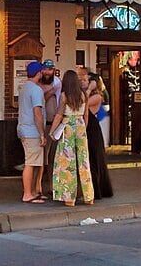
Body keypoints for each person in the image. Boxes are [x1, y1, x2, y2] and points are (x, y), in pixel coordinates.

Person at [49, 69, 94, 206]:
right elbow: (86, 115)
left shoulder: (64, 96)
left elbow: (59, 115)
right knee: (84, 161)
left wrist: (52, 131)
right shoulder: (83, 95)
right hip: (80, 125)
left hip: (67, 126)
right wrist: (83, 128)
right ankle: (88, 196)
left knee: (67, 162)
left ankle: (69, 198)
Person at [18, 61, 47, 204]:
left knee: (34, 162)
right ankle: (28, 194)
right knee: (30, 163)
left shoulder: (24, 88)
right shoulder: (36, 90)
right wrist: (42, 133)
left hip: (23, 128)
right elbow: (37, 112)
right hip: (32, 131)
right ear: (39, 73)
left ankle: (34, 191)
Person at [81, 70, 113, 199]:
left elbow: (83, 104)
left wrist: (89, 89)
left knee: (93, 159)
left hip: (92, 129)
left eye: (85, 80)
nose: (82, 82)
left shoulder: (97, 96)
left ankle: (96, 189)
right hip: (85, 127)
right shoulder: (84, 93)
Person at [39, 59, 61, 197]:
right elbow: (40, 101)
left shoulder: (58, 82)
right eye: (46, 69)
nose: (48, 72)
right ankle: (40, 186)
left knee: (54, 156)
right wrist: (51, 92)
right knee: (43, 157)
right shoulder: (38, 84)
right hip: (45, 124)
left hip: (57, 124)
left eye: (50, 69)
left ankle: (53, 186)